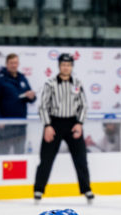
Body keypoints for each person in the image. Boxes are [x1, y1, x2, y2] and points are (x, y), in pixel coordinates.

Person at [33, 53, 92, 202]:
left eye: (68, 65)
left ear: (72, 66)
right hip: (54, 123)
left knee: (81, 158)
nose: (66, 67)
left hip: (73, 123)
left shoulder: (77, 83)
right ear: (59, 66)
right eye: (63, 65)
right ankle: (39, 189)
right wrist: (47, 125)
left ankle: (86, 189)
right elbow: (43, 106)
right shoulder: (50, 83)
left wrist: (79, 123)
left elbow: (83, 105)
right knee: (46, 159)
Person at [0, 54, 36, 156]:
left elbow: (31, 98)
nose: (14, 65)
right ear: (6, 64)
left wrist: (31, 96)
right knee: (3, 154)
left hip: (20, 124)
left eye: (15, 63)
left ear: (18, 64)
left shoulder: (22, 78)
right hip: (5, 125)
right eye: (11, 63)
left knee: (19, 154)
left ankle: (18, 173)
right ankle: (0, 172)